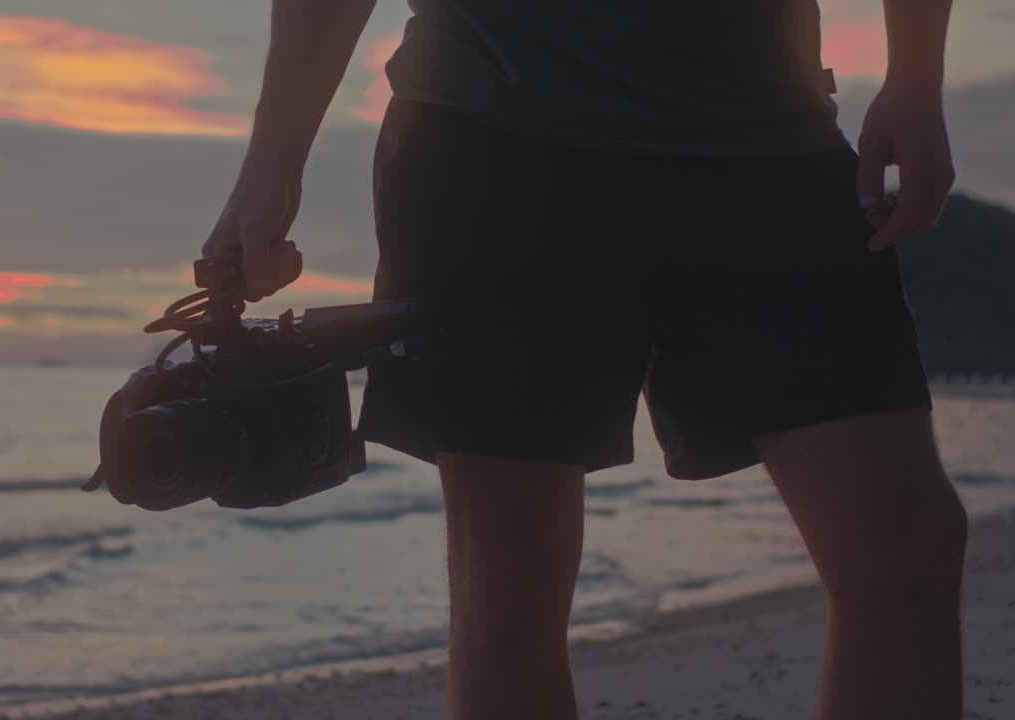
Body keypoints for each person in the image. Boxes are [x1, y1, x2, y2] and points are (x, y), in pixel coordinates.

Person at [201, 1, 965, 718]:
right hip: (497, 136)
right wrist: (273, 161)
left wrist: (917, 79)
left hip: (771, 131)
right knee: (510, 581)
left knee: (912, 541)